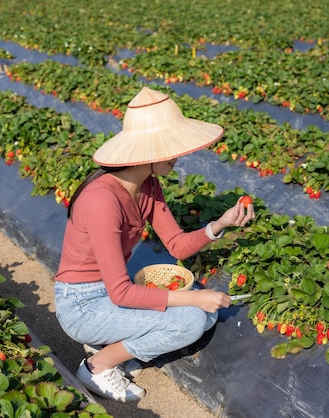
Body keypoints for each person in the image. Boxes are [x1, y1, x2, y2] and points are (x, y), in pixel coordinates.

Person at [54, 86, 255, 402]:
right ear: (146, 151)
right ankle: (98, 365)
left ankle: (113, 343)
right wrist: (192, 300)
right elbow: (121, 292)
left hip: (109, 293)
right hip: (83, 305)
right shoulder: (101, 200)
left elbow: (176, 245)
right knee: (190, 321)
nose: (178, 156)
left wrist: (220, 225)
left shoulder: (148, 185)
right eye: (170, 148)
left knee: (206, 311)